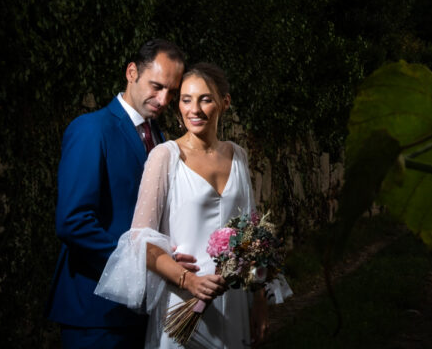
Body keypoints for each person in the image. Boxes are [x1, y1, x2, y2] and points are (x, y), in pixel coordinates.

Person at [96, 62, 289, 347]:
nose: (194, 110)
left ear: (225, 102)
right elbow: (139, 243)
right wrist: (188, 281)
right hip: (182, 302)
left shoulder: (239, 156)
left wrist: (259, 302)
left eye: (205, 99)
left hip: (234, 303)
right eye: (186, 100)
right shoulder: (164, 157)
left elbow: (253, 237)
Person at [48, 38, 195, 348]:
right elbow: (73, 221)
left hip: (143, 309)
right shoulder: (91, 129)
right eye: (156, 86)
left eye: (171, 91)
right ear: (131, 72)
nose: (164, 98)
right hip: (95, 308)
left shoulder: (159, 136)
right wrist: (147, 262)